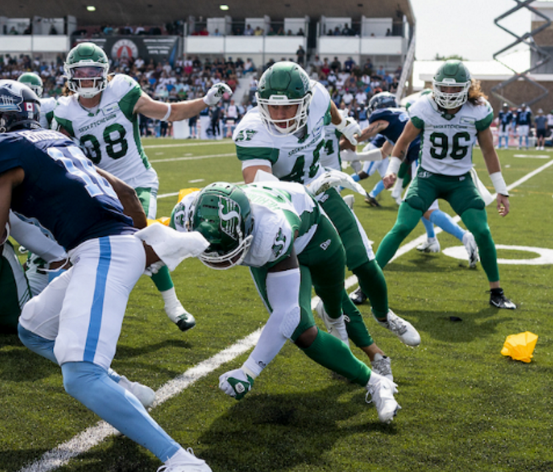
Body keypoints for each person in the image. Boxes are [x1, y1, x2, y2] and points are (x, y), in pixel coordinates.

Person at [0, 79, 214, 471]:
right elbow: (126, 193)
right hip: (106, 245)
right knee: (34, 329)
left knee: (79, 375)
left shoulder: (0, 148)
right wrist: (142, 243)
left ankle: (180, 461)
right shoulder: (57, 140)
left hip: (101, 249)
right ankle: (121, 387)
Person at [169, 182, 399, 423]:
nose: (216, 258)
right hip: (273, 245)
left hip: (315, 237)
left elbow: (286, 312)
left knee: (327, 306)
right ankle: (376, 383)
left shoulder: (270, 229)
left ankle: (342, 331)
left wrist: (249, 371)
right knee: (302, 331)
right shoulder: (186, 214)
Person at [233, 62, 421, 347]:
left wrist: (344, 125)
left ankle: (383, 315)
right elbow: (260, 187)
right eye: (273, 107)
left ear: (306, 101)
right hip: (285, 209)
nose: (280, 115)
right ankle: (339, 332)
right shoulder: (253, 130)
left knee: (364, 261)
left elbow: (331, 109)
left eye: (289, 107)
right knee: (321, 281)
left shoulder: (318, 96)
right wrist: (300, 195)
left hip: (320, 188)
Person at [53, 42, 230, 331]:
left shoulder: (122, 90)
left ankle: (172, 304)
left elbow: (170, 112)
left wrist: (205, 102)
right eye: (79, 72)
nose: (86, 78)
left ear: (105, 73)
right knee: (94, 248)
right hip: (101, 189)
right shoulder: (65, 112)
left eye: (93, 71)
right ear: (69, 75)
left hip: (137, 182)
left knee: (141, 239)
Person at [376, 61, 515, 309]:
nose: (449, 94)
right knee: (402, 226)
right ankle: (368, 285)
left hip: (460, 182)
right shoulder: (424, 106)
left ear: (466, 88)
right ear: (435, 87)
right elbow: (403, 142)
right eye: (444, 88)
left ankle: (497, 292)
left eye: (455, 90)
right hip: (427, 178)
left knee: (482, 232)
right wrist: (392, 171)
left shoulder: (478, 109)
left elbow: (488, 150)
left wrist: (501, 189)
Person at [344, 91, 479, 276]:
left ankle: (464, 236)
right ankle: (432, 240)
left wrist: (342, 141)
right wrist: (355, 156)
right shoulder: (397, 120)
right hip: (426, 157)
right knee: (420, 203)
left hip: (423, 159)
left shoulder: (383, 118)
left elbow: (361, 135)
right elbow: (382, 153)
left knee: (425, 207)